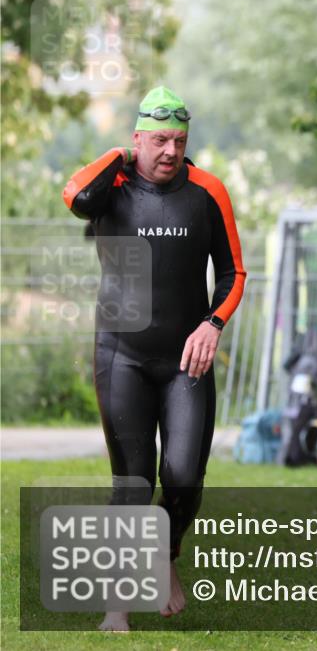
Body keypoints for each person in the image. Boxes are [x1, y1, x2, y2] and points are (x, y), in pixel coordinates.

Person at [62, 86, 246, 631]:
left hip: (185, 359)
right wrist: (118, 159)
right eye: (159, 139)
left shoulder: (207, 190)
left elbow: (234, 273)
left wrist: (213, 324)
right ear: (137, 138)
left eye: (180, 141)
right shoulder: (111, 188)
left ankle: (165, 556)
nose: (170, 151)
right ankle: (116, 604)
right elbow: (73, 196)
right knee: (133, 481)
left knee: (185, 476)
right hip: (121, 356)